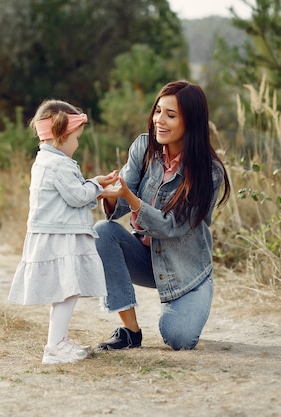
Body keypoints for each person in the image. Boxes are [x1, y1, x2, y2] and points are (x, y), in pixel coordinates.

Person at [94, 80, 231, 351]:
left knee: (178, 339)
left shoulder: (209, 171)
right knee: (102, 232)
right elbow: (120, 204)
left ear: (190, 122)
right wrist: (107, 191)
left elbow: (173, 227)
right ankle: (130, 332)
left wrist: (129, 197)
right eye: (158, 111)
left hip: (185, 271)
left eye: (170, 115)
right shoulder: (144, 148)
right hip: (146, 259)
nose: (159, 120)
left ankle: (188, 303)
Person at [8, 99, 116, 364]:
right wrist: (96, 186)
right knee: (67, 290)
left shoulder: (46, 160)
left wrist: (95, 184)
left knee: (66, 289)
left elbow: (71, 193)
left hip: (57, 232)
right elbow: (78, 196)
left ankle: (59, 341)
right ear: (60, 137)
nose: (77, 144)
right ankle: (54, 346)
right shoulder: (58, 164)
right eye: (76, 138)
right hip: (60, 236)